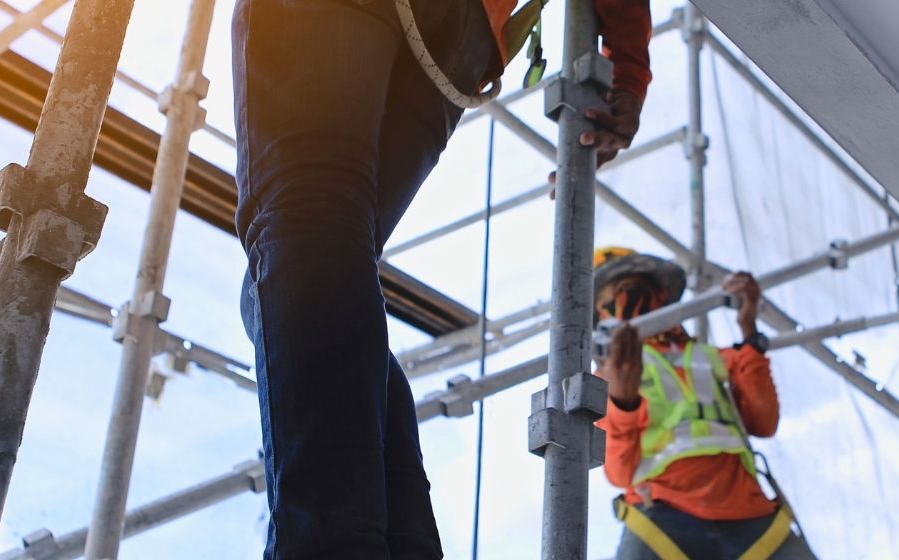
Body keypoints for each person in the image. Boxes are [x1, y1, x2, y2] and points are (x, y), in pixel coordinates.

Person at [232, 0, 653, 557]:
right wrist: (628, 68)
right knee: (312, 248)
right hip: (462, 33)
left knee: (311, 222)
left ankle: (335, 547)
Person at [591, 247, 816, 559]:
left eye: (636, 287)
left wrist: (749, 331)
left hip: (750, 516)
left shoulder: (709, 357)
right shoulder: (605, 376)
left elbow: (764, 423)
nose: (630, 299)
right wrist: (622, 402)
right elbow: (619, 473)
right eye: (614, 294)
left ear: (661, 295)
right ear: (599, 314)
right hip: (662, 519)